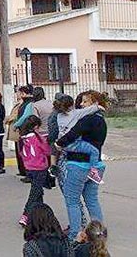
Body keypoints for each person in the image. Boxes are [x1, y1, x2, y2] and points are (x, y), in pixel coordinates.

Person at [56, 90, 108, 241]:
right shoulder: (101, 121)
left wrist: (59, 144)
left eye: (85, 102)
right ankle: (99, 234)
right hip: (96, 165)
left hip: (79, 165)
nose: (81, 104)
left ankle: (75, 235)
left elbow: (72, 134)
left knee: (72, 200)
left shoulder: (87, 120)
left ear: (94, 103)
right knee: (92, 200)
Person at [51, 94, 103, 185]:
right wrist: (98, 106)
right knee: (94, 151)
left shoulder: (59, 116)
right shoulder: (76, 113)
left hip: (63, 144)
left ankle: (53, 168)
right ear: (72, 105)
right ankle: (93, 172)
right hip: (73, 143)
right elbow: (89, 109)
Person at [18, 115, 51, 226]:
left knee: (38, 191)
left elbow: (21, 154)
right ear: (36, 126)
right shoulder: (37, 138)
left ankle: (40, 216)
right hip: (40, 167)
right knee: (35, 193)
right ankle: (26, 215)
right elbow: (47, 151)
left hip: (29, 168)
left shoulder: (22, 139)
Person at [6, 86, 32, 182]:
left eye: (18, 92)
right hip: (21, 130)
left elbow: (21, 116)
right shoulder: (23, 103)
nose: (16, 94)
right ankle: (23, 170)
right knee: (20, 151)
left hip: (23, 130)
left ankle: (27, 171)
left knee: (24, 152)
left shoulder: (26, 104)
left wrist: (15, 124)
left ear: (23, 93)